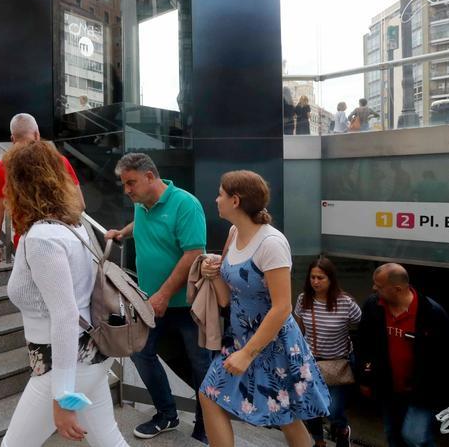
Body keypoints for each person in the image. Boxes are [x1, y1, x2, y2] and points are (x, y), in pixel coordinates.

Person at [1, 140, 127, 447]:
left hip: (63, 363)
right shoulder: (73, 227)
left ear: (19, 185)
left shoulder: (42, 237)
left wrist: (62, 397)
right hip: (92, 355)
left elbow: (66, 315)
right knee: (107, 439)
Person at [198, 170, 329, 447]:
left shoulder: (272, 244)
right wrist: (212, 273)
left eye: (220, 194)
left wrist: (247, 353)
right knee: (209, 395)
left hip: (273, 344)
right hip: (241, 338)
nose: (216, 199)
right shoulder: (234, 233)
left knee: (286, 417)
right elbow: (226, 297)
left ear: (235, 201)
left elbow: (282, 308)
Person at [105, 153, 210, 442]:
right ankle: (167, 414)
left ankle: (206, 426)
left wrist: (164, 294)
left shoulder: (186, 205)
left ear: (150, 177)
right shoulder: (143, 204)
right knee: (140, 352)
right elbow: (140, 223)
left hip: (187, 305)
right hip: (149, 302)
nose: (127, 190)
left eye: (131, 183)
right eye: (124, 184)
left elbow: (194, 253)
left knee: (201, 364)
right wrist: (121, 233)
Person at [357, 263, 449, 447]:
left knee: (414, 437)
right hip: (388, 389)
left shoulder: (432, 314)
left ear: (397, 289)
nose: (374, 288)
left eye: (379, 285)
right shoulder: (373, 306)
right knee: (393, 434)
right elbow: (364, 344)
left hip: (421, 391)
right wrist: (365, 377)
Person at [0, 113, 83, 265]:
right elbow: (80, 205)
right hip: (63, 242)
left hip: (28, 245)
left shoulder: (5, 166)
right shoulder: (60, 161)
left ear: (12, 139)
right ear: (37, 135)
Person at [294, 257, 361, 447]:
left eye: (320, 278)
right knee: (313, 407)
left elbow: (363, 325)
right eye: (312, 277)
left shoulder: (345, 303)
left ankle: (342, 429)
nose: (315, 282)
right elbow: (299, 332)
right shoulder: (303, 300)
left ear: (331, 279)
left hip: (338, 364)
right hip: (311, 362)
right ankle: (318, 441)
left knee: (332, 409)